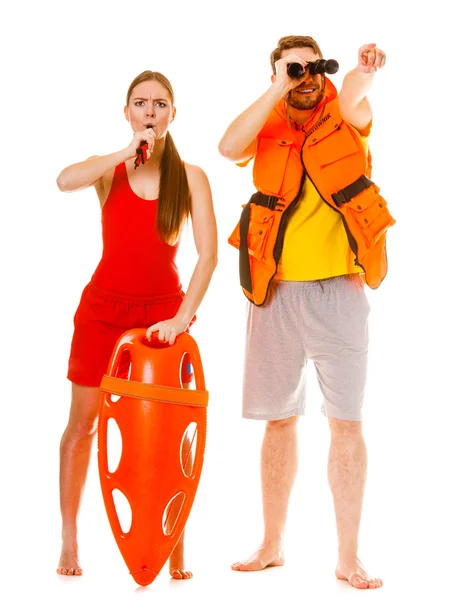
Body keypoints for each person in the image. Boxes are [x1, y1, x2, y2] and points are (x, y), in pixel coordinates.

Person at [218, 36, 394, 590]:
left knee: (346, 422)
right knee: (277, 421)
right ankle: (271, 546)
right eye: (296, 69)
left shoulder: (343, 112)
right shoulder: (268, 118)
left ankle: (348, 557)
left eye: (312, 67)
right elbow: (228, 147)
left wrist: (363, 71)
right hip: (275, 295)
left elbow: (357, 98)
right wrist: (278, 83)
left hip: (339, 292)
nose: (307, 77)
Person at [56, 70, 218, 579]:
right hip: (104, 312)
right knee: (82, 427)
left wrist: (180, 318)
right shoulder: (111, 171)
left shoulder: (191, 176)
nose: (150, 111)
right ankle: (69, 541)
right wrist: (125, 153)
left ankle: (174, 546)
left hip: (162, 319)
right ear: (127, 113)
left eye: (160, 104)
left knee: (170, 435)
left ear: (174, 113)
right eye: (141, 103)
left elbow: (208, 257)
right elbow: (64, 180)